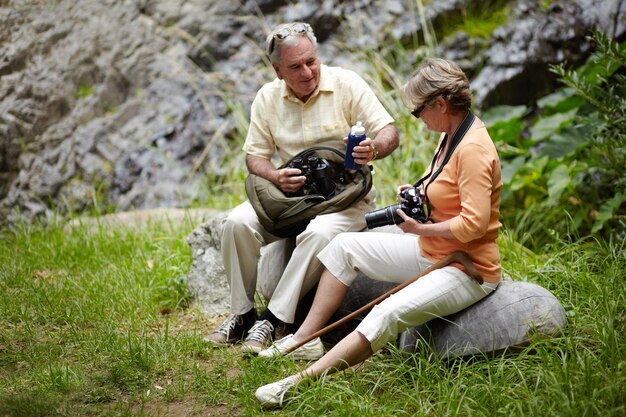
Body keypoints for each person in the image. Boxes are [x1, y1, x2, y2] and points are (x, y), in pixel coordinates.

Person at [254, 57, 503, 408]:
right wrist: (420, 191)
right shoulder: (451, 135)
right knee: (343, 247)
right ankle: (306, 338)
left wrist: (416, 227)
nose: (418, 119)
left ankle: (295, 385)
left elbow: (474, 225)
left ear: (441, 104)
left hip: (467, 267)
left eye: (418, 112)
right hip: (434, 250)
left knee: (386, 312)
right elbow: (451, 195)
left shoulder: (473, 148)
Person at [204, 22, 400, 353]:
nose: (307, 72)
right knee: (236, 223)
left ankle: (272, 318)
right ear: (277, 70)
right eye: (295, 66)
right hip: (293, 198)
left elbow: (390, 131)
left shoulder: (347, 83)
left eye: (312, 61)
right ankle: (241, 315)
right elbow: (255, 157)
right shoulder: (267, 97)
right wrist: (275, 176)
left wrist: (374, 148)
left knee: (320, 233)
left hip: (348, 200)